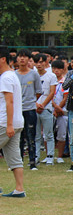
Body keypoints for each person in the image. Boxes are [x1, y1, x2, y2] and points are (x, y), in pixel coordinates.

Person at [0, 47, 26, 197]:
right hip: (16, 123)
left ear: (3, 59)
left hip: (5, 123)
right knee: (14, 156)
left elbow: (9, 102)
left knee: (14, 156)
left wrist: (9, 125)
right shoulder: (12, 75)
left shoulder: (5, 78)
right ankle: (19, 189)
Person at [15, 49, 42, 170]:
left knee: (31, 135)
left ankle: (32, 162)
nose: (22, 59)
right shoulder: (13, 75)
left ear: (29, 59)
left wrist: (31, 101)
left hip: (30, 109)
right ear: (17, 59)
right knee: (18, 137)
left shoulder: (34, 74)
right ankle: (18, 161)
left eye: (25, 57)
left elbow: (38, 92)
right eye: (20, 56)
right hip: (17, 110)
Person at [33, 54, 57, 166]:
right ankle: (36, 157)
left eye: (41, 62)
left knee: (49, 134)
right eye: (37, 62)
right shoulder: (32, 75)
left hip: (46, 108)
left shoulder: (51, 76)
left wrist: (42, 105)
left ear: (46, 62)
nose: (39, 64)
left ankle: (50, 156)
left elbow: (52, 93)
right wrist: (36, 104)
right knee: (36, 135)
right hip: (34, 108)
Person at [51, 59, 69, 163]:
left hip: (62, 111)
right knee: (47, 134)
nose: (56, 70)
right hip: (51, 110)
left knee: (62, 135)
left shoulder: (65, 82)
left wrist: (58, 108)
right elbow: (48, 95)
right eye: (54, 68)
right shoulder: (50, 81)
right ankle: (49, 155)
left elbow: (65, 98)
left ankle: (59, 156)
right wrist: (55, 107)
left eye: (58, 68)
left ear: (63, 70)